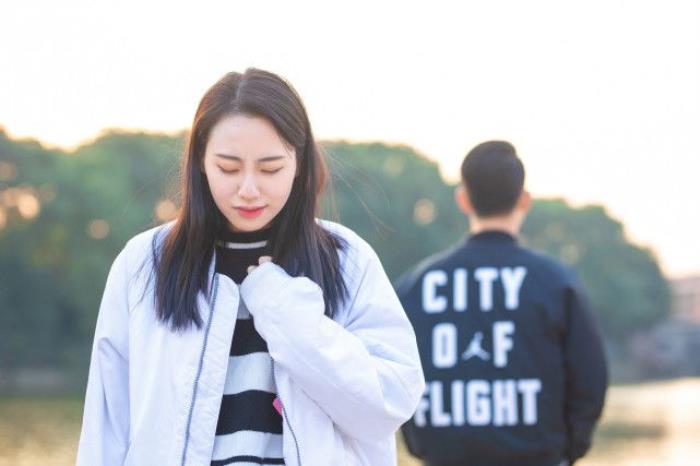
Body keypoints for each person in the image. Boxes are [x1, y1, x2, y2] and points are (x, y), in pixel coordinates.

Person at [76, 68, 425, 466]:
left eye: (270, 168)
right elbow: (107, 426)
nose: (248, 189)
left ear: (299, 163)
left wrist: (286, 312)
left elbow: (388, 405)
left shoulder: (346, 260)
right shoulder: (146, 263)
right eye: (228, 168)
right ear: (200, 161)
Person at [397, 141, 607, 466]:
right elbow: (590, 380)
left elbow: (394, 373)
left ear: (463, 199)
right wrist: (566, 451)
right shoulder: (556, 282)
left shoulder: (416, 286)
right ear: (524, 200)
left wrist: (421, 444)